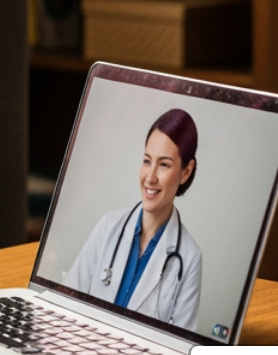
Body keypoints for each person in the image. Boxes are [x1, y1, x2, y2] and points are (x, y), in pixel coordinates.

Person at [62, 108, 202, 331]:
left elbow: (181, 347)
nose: (150, 177)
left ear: (186, 172)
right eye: (147, 161)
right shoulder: (109, 226)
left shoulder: (189, 256)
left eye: (164, 164)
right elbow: (66, 305)